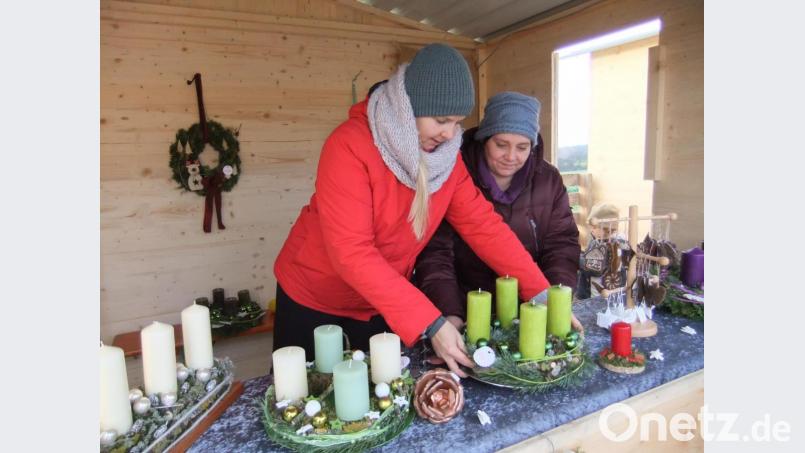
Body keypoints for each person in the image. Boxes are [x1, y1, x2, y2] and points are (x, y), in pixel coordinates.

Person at [272, 44, 558, 377]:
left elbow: (484, 226)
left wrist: (541, 293)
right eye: (441, 120)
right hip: (313, 296)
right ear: (409, 107)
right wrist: (430, 321)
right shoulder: (348, 145)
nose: (451, 134)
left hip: (382, 301)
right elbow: (351, 251)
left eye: (457, 123)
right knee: (301, 399)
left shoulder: (447, 159)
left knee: (381, 396)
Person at [415, 92, 582, 331]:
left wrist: (553, 299)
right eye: (501, 145)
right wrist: (450, 313)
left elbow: (562, 244)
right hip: (466, 310)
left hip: (532, 308)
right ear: (485, 139)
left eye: (522, 147)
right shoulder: (450, 174)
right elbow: (435, 253)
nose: (511, 157)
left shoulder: (548, 180)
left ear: (533, 146)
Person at [576, 202, 629, 299]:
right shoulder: (617, 242)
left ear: (606, 229)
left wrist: (575, 258)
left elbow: (594, 267)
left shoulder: (604, 245)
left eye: (594, 227)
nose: (591, 230)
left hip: (595, 296)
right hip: (612, 292)